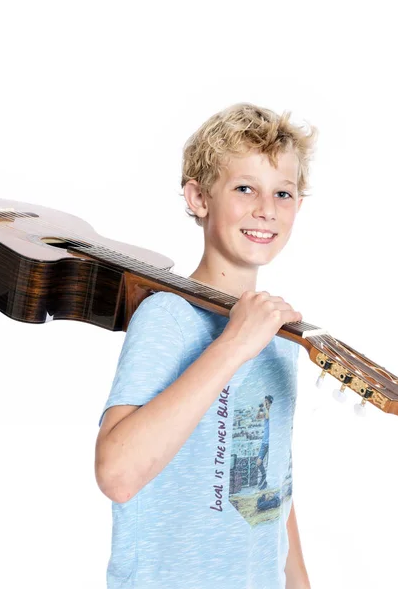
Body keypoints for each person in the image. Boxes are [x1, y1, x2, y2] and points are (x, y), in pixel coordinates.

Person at [95, 102, 317, 589]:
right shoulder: (167, 317)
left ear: (299, 206)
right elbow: (117, 473)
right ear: (198, 198)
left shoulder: (278, 336)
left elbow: (269, 484)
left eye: (283, 193)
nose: (266, 209)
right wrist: (235, 343)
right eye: (244, 188)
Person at [257, 395, 274, 490]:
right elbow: (258, 417)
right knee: (258, 463)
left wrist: (266, 408)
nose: (265, 403)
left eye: (267, 402)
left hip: (271, 442)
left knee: (270, 463)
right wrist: (260, 408)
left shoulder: (273, 412)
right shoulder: (266, 411)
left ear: (270, 403)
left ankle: (266, 482)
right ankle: (264, 476)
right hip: (265, 442)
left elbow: (267, 416)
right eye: (265, 402)